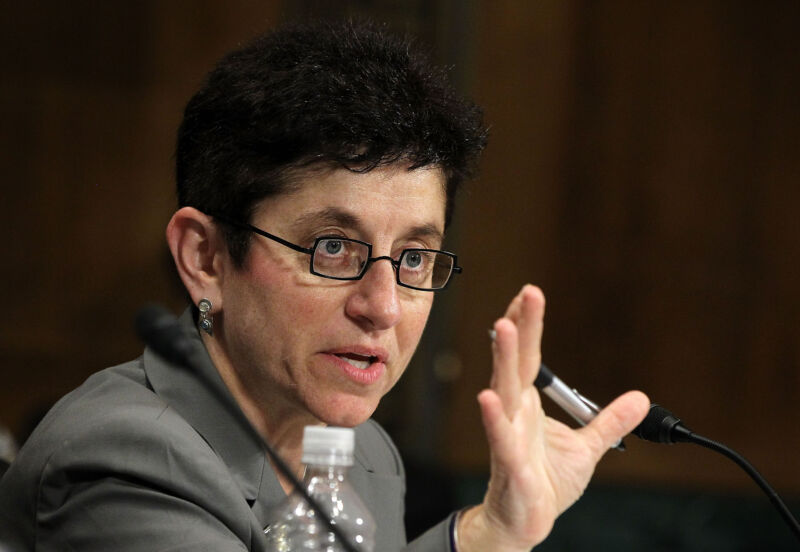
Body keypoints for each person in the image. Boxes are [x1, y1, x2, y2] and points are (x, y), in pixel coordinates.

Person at [0, 20, 649, 551]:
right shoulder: (126, 460)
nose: (384, 308)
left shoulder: (364, 458)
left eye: (415, 258)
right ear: (205, 258)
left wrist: (492, 533)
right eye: (333, 248)